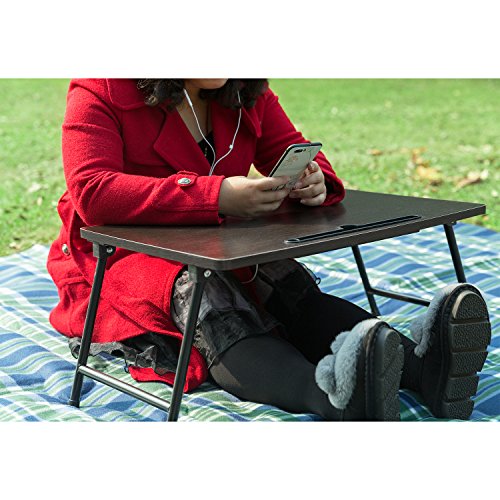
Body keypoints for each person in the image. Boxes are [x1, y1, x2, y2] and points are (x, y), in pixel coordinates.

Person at [47, 78, 491, 420]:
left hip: (220, 239)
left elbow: (293, 148)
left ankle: (424, 371)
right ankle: (333, 398)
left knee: (288, 287)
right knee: (207, 298)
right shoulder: (102, 88)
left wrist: (314, 180)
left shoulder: (243, 85)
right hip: (122, 253)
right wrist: (216, 195)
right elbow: (93, 191)